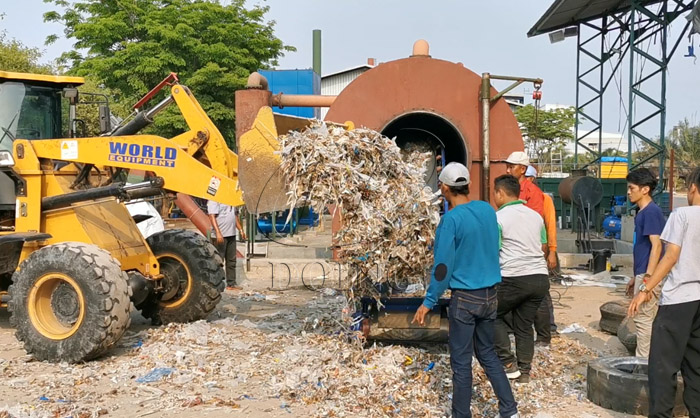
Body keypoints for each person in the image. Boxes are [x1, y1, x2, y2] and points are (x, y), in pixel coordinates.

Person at [412, 162, 518, 418]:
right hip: (491, 295)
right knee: (488, 354)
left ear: (445, 188)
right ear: (467, 185)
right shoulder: (486, 209)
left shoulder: (450, 220)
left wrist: (428, 301)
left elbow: (442, 268)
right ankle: (510, 410)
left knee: (460, 363)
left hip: (466, 299)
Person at [628, 167, 700, 417]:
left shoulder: (683, 214)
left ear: (692, 188)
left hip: (679, 299)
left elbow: (670, 255)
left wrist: (645, 288)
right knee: (696, 366)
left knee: (662, 366)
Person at [492, 175, 549, 384]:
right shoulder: (535, 216)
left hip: (514, 277)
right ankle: (524, 371)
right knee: (524, 326)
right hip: (540, 278)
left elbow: (495, 249)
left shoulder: (499, 217)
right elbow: (543, 245)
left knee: (491, 314)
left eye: (494, 193)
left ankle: (508, 363)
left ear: (500, 193)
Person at [624, 168, 666, 358]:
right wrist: (637, 276)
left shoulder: (650, 212)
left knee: (643, 322)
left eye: (632, 188)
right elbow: (646, 249)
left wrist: (647, 281)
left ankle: (643, 368)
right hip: (644, 273)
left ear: (645, 189)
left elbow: (656, 246)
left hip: (649, 276)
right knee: (645, 320)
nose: (628, 192)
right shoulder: (644, 213)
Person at [525, 166, 558, 345]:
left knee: (542, 290)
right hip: (528, 249)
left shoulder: (543, 199)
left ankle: (549, 327)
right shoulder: (522, 197)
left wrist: (552, 251)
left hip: (541, 248)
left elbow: (550, 224)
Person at [207, 200, 246, 290]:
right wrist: (218, 232)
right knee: (218, 261)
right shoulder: (214, 199)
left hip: (231, 234)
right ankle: (215, 284)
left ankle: (231, 283)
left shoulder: (230, 199)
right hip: (220, 236)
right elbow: (211, 216)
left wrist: (240, 230)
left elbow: (234, 216)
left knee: (231, 260)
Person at [504, 152, 544, 217]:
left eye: (511, 167)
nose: (507, 171)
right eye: (507, 167)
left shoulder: (532, 191)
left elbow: (535, 219)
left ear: (522, 169)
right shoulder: (506, 188)